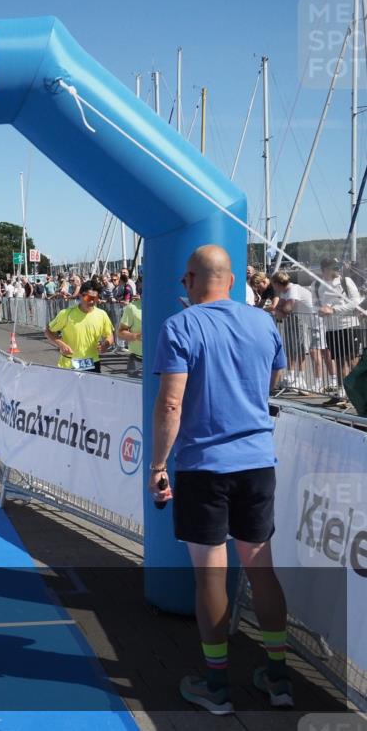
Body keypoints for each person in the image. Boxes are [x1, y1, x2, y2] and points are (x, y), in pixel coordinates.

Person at [150, 245, 290, 715]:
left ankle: (216, 686)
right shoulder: (263, 322)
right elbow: (272, 383)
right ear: (231, 281)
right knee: (260, 569)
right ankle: (277, 678)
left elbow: (171, 403)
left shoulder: (180, 326)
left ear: (190, 280)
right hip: (256, 462)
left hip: (205, 466)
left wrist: (157, 466)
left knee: (209, 575)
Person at [316, 257, 362, 398]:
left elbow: (355, 302)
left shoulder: (346, 281)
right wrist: (321, 310)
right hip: (331, 329)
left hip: (349, 326)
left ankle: (358, 391)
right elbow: (318, 305)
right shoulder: (320, 286)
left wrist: (334, 310)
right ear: (324, 270)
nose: (336, 270)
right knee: (340, 361)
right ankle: (343, 391)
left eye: (337, 267)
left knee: (352, 360)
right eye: (333, 267)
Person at [44, 281, 114, 372]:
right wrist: (60, 344)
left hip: (92, 362)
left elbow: (110, 335)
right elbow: (48, 331)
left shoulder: (102, 314)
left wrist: (106, 344)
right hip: (69, 362)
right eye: (88, 297)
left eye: (95, 298)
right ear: (80, 295)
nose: (92, 301)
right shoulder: (66, 314)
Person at [271, 271, 315, 390]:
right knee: (290, 348)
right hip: (293, 319)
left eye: (273, 284)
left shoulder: (293, 289)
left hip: (303, 320)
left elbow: (287, 308)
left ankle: (300, 377)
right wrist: (279, 309)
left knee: (300, 349)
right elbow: (280, 308)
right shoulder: (284, 291)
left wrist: (278, 310)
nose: (273, 287)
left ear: (277, 283)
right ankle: (291, 375)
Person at [117, 292, 143, 377]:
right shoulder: (132, 307)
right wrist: (136, 336)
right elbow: (120, 332)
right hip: (138, 360)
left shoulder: (165, 305)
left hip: (162, 360)